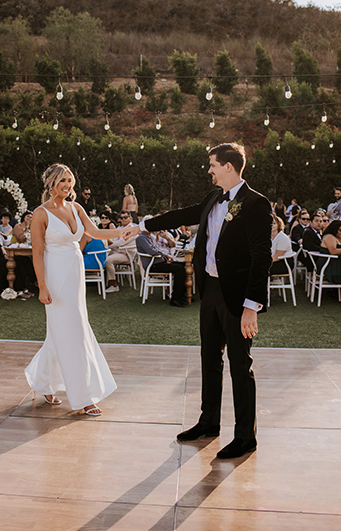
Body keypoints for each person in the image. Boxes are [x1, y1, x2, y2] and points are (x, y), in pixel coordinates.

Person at [124, 142, 272, 458]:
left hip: (237, 296)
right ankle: (209, 423)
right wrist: (143, 225)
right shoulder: (213, 198)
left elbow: (262, 256)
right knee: (209, 359)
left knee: (240, 365)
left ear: (229, 167)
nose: (209, 170)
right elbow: (184, 214)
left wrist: (251, 306)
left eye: (213, 165)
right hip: (211, 291)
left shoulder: (256, 204)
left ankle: (246, 436)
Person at [25, 164, 123, 416]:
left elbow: (96, 231)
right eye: (61, 182)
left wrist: (123, 231)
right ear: (50, 184)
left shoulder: (76, 208)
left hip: (75, 273)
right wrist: (42, 286)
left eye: (69, 181)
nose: (67, 186)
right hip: (55, 277)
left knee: (62, 333)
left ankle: (44, 382)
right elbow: (36, 253)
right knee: (74, 332)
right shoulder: (40, 213)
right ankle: (84, 397)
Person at [136, 224, 188, 306]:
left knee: (183, 265)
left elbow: (156, 249)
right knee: (179, 269)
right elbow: (152, 251)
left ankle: (182, 295)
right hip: (153, 265)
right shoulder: (142, 238)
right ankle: (175, 298)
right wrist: (166, 256)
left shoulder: (149, 236)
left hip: (158, 262)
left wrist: (165, 257)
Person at [103, 211, 136, 291]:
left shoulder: (132, 229)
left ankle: (114, 285)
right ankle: (103, 282)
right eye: (121, 218)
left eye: (125, 217)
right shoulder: (120, 228)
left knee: (108, 260)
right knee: (102, 256)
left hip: (126, 254)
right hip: (117, 251)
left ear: (130, 218)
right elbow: (114, 239)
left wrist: (107, 246)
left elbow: (120, 242)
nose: (123, 219)